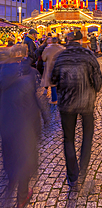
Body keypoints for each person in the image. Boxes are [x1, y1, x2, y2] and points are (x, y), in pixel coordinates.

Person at [51, 31, 102, 187]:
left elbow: (54, 79)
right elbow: (98, 81)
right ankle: (83, 170)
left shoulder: (61, 57)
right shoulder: (89, 56)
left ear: (68, 41)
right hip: (86, 102)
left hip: (67, 103)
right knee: (87, 136)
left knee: (68, 138)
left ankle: (72, 176)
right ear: (81, 40)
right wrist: (93, 89)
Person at [0, 44, 45, 208]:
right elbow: (33, 107)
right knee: (25, 160)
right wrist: (38, 128)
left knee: (9, 155)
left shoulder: (3, 76)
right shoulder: (29, 76)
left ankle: (10, 185)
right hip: (23, 126)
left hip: (5, 124)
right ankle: (22, 196)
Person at [41, 37, 65, 104]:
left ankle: (54, 99)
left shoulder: (47, 49)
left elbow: (44, 58)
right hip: (60, 67)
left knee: (52, 83)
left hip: (50, 67)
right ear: (57, 41)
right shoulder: (62, 48)